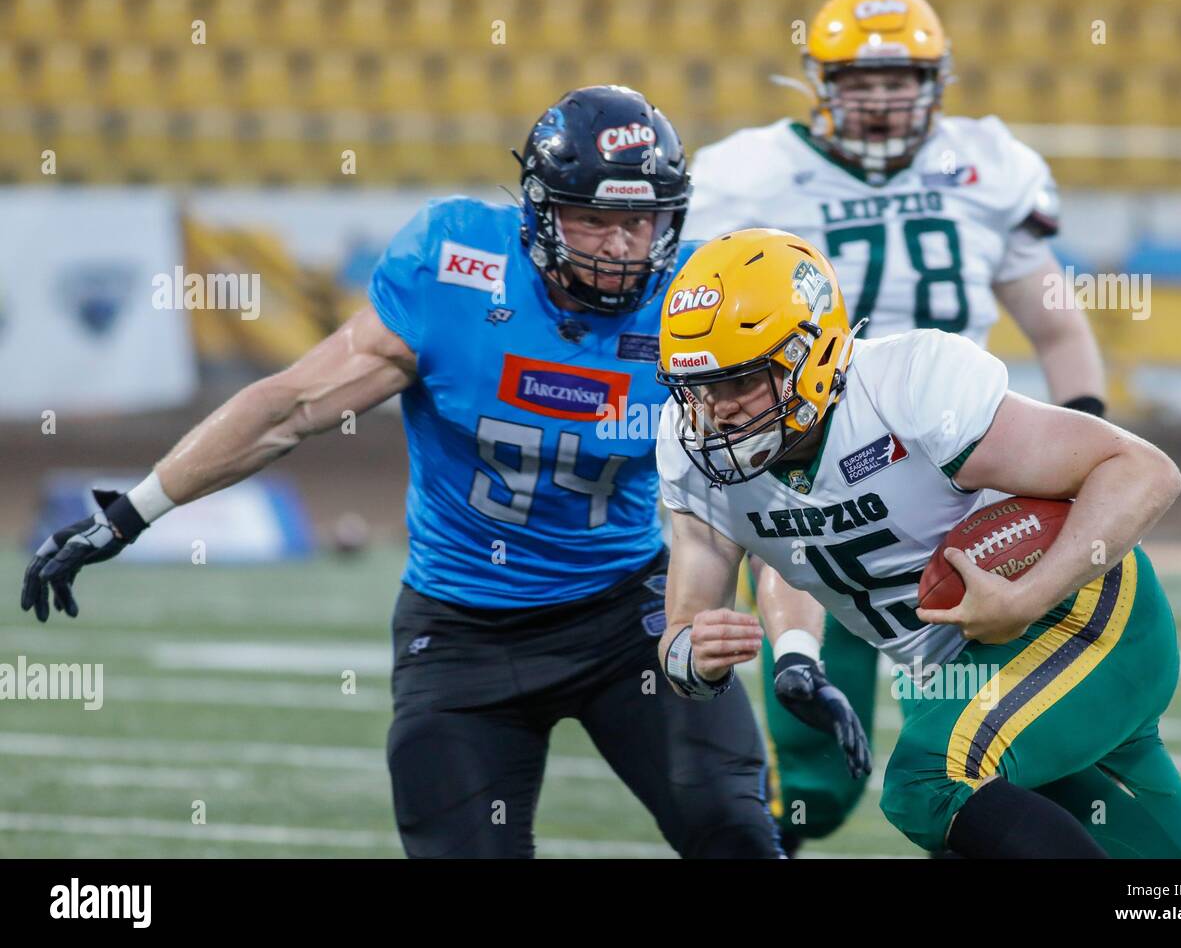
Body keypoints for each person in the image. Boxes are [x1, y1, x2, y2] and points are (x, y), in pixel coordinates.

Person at [20, 86, 781, 859]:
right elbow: (289, 406)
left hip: (629, 617)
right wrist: (130, 512)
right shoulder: (455, 271)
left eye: (639, 221)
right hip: (463, 629)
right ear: (540, 213)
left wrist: (805, 651)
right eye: (594, 219)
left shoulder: (694, 303)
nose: (621, 246)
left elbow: (767, 479)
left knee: (734, 832)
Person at [682, 0, 1106, 850]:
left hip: (951, 475)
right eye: (857, 78)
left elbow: (1057, 321)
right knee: (816, 780)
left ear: (936, 80)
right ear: (819, 80)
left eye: (899, 77)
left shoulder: (984, 167)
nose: (878, 97)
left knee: (973, 748)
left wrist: (1086, 461)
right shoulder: (750, 174)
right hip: (800, 459)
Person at [653, 228, 1181, 858]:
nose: (717, 410)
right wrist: (701, 662)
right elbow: (741, 588)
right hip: (956, 668)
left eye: (741, 381)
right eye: (698, 387)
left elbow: (1141, 469)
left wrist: (1026, 597)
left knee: (928, 783)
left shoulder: (908, 388)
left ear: (808, 354)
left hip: (1078, 618)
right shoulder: (690, 452)